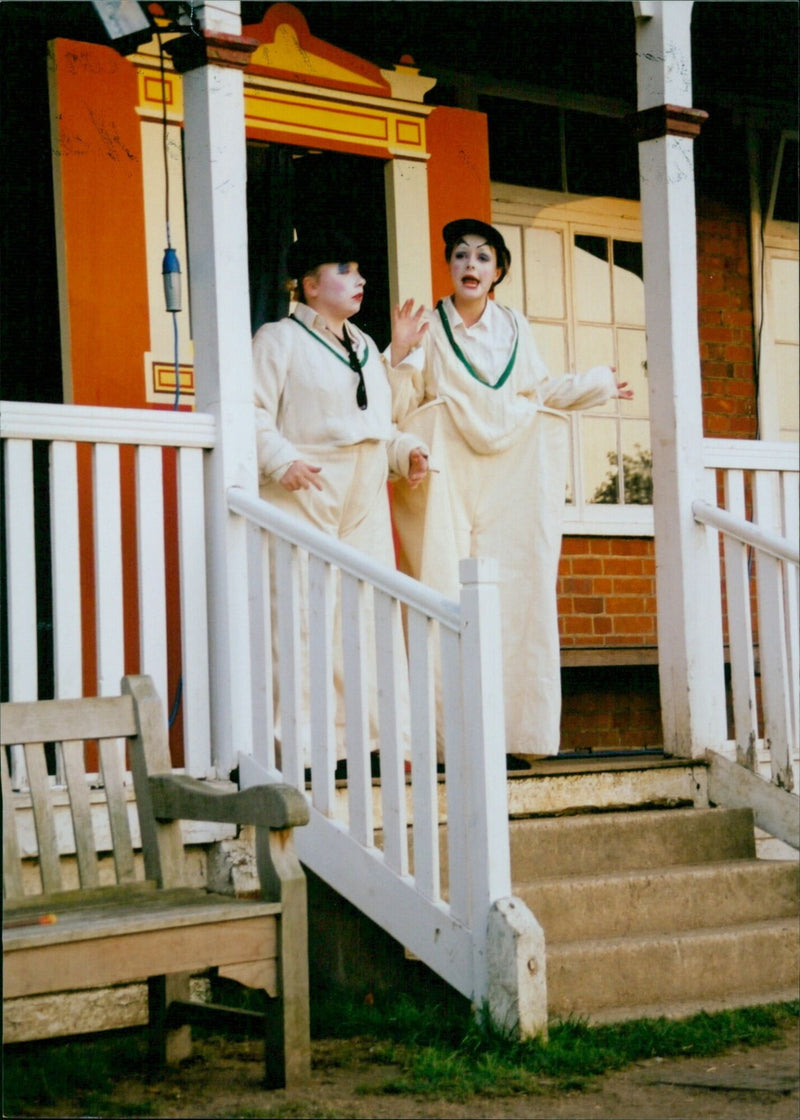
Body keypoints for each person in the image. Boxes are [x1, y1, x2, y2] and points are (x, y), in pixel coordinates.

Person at [387, 218, 633, 763]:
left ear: (498, 270)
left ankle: (512, 737)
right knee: (442, 593)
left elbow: (537, 390)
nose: (470, 265)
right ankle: (448, 742)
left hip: (510, 478)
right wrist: (401, 354)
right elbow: (398, 409)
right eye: (459, 256)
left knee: (514, 598)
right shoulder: (429, 328)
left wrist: (595, 385)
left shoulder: (516, 328)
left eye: (482, 257)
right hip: (448, 476)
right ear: (448, 266)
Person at [253, 230, 428, 770]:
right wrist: (280, 459)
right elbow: (250, 410)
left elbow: (377, 425)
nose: (360, 279)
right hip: (307, 490)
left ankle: (366, 746)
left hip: (366, 499)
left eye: (359, 270)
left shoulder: (365, 348)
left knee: (365, 615)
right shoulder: (277, 339)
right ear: (309, 285)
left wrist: (407, 454)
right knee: (304, 618)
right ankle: (299, 749)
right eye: (344, 269)